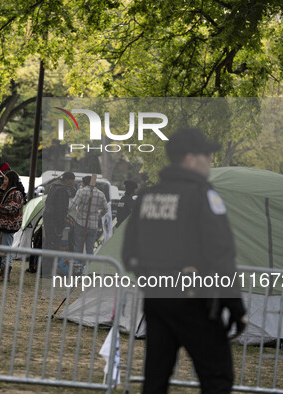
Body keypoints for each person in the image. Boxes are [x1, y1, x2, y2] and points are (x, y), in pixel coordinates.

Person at [122, 127, 247, 393]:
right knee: (217, 377)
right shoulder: (203, 196)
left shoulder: (147, 196)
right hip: (196, 302)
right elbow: (221, 253)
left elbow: (129, 253)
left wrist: (153, 279)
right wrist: (235, 306)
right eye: (207, 155)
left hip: (156, 300)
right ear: (190, 158)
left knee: (156, 378)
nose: (210, 161)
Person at [41, 171, 75, 277]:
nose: (73, 183)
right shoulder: (62, 190)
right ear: (68, 180)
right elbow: (60, 209)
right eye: (72, 180)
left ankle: (45, 270)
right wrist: (61, 224)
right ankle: (46, 272)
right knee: (52, 246)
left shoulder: (54, 187)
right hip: (54, 222)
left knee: (48, 245)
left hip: (48, 219)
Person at [0, 170, 24, 282]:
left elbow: (13, 209)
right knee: (4, 249)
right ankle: (3, 274)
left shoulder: (16, 193)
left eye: (5, 179)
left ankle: (5, 275)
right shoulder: (9, 191)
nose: (4, 181)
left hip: (10, 224)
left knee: (7, 250)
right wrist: (2, 187)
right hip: (5, 224)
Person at [69, 175, 108, 255]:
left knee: (78, 248)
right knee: (90, 249)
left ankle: (77, 265)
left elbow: (72, 206)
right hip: (93, 226)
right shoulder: (101, 194)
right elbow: (106, 209)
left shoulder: (81, 191)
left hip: (80, 224)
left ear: (84, 183)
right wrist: (98, 216)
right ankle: (89, 266)